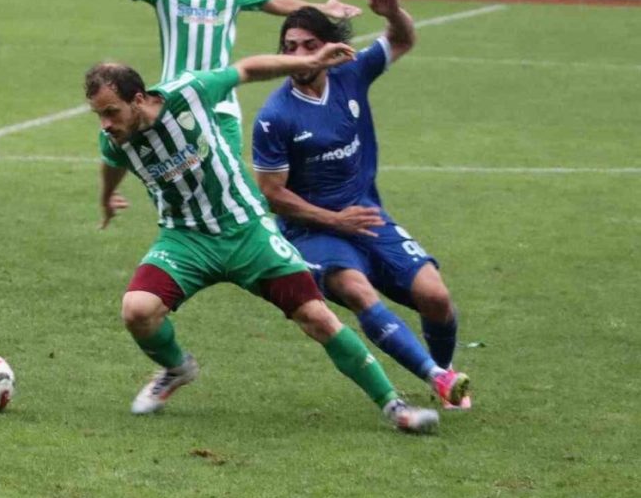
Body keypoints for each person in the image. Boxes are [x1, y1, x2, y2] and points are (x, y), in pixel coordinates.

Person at [84, 46, 442, 434]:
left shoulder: (189, 92)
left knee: (317, 317)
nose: (104, 124)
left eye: (111, 112)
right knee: (137, 310)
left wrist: (308, 62)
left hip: (247, 230)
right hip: (185, 239)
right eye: (98, 115)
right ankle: (176, 368)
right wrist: (106, 198)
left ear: (138, 99)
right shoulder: (115, 140)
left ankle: (395, 407)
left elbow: (248, 68)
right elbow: (113, 165)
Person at [251, 0, 471, 410]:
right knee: (356, 289)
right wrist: (336, 221)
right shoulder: (274, 116)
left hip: (366, 215)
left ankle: (440, 376)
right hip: (312, 230)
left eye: (309, 45)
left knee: (436, 297)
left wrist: (393, 13)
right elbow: (273, 194)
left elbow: (403, 38)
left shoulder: (351, 74)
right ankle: (438, 377)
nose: (298, 55)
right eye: (289, 47)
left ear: (330, 48)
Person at [40, 0, 360, 154]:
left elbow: (274, 2)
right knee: (180, 187)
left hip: (221, 104)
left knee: (229, 180)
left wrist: (320, 7)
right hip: (174, 103)